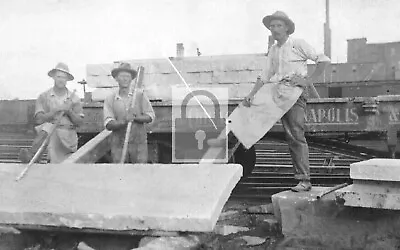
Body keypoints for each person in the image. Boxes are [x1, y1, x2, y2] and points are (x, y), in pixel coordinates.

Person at [243, 11, 330, 192]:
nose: (275, 29)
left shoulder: (298, 44)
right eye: (272, 26)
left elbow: (322, 60)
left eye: (279, 26)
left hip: (295, 94)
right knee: (249, 125)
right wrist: (251, 94)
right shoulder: (274, 50)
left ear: (287, 28)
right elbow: (265, 75)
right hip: (278, 92)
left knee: (295, 135)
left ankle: (304, 180)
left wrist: (307, 80)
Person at [19, 62, 84, 164]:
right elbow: (39, 119)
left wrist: (69, 111)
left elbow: (80, 122)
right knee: (47, 128)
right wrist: (56, 110)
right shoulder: (44, 96)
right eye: (58, 76)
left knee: (66, 168)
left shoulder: (74, 98)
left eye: (64, 77)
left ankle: (34, 156)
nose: (61, 80)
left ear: (67, 79)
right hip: (50, 135)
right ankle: (32, 155)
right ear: (53, 77)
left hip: (67, 136)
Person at [103, 62, 155, 163]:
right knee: (120, 174)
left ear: (131, 79)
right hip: (119, 144)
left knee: (139, 173)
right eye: (122, 76)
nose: (125, 79)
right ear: (116, 78)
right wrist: (124, 121)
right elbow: (108, 124)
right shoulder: (110, 99)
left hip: (138, 144)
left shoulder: (140, 95)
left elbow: (150, 116)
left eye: (128, 76)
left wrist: (136, 117)